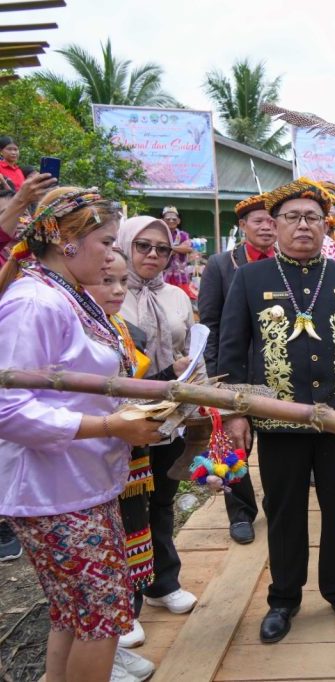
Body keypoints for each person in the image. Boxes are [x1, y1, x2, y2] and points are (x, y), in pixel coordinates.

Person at [0, 187, 163, 682]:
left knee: (74, 613)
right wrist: (112, 425)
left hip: (82, 482)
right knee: (101, 619)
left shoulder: (66, 295)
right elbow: (8, 409)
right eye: (107, 242)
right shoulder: (35, 303)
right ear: (67, 241)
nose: (114, 255)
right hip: (54, 491)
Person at [218, 178, 335, 644]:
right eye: (292, 217)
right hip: (277, 420)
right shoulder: (250, 279)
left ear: (325, 225)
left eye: (312, 218)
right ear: (273, 225)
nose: (302, 226)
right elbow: (231, 350)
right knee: (284, 511)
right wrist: (235, 412)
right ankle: (284, 598)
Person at [86, 248, 164, 680]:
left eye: (123, 283)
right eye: (106, 281)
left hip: (125, 452)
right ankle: (100, 652)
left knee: (126, 547)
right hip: (88, 455)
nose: (117, 291)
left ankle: (111, 644)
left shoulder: (116, 326)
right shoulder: (74, 325)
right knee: (93, 571)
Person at [118, 215, 199, 621]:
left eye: (162, 248)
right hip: (125, 418)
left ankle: (162, 583)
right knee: (129, 507)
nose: (153, 255)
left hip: (172, 415)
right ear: (124, 245)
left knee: (163, 501)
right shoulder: (108, 291)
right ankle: (126, 603)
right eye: (143, 246)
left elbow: (189, 341)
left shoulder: (177, 296)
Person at [197, 193, 276, 545]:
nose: (266, 227)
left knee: (277, 444)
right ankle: (240, 511)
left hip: (275, 372)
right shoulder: (220, 264)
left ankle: (277, 504)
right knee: (234, 442)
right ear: (242, 226)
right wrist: (215, 375)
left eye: (272, 221)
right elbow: (210, 322)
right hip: (233, 371)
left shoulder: (287, 263)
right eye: (258, 221)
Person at [159, 206, 194, 294]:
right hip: (163, 275)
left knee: (182, 299)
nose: (171, 221)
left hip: (181, 276)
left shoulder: (183, 235)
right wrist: (179, 248)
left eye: (174, 219)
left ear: (178, 221)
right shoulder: (159, 234)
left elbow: (188, 248)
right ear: (162, 221)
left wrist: (169, 248)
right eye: (168, 219)